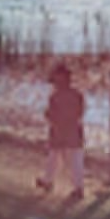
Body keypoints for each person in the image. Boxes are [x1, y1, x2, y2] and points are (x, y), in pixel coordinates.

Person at [36, 63, 86, 199]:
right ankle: (78, 187)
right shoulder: (77, 94)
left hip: (59, 130)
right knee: (74, 159)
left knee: (54, 157)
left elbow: (51, 114)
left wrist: (50, 116)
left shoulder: (55, 96)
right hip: (74, 130)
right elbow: (80, 112)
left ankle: (49, 181)